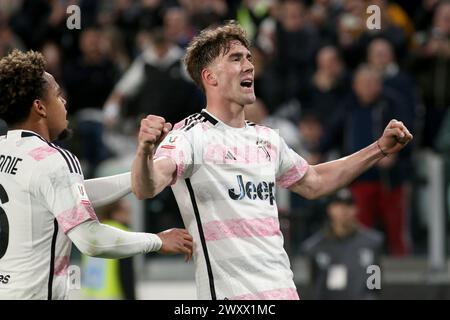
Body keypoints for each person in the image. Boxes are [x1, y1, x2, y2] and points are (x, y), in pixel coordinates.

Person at [131, 22, 412, 300]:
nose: (249, 65)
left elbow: (315, 182)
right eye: (236, 58)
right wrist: (145, 150)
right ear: (210, 77)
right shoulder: (189, 136)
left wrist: (379, 149)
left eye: (249, 58)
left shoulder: (267, 139)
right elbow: (146, 187)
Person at [0, 50, 193, 300]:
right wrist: (157, 240)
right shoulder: (52, 159)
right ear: (40, 107)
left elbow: (65, 194)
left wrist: (141, 174)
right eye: (58, 95)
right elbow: (91, 240)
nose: (64, 102)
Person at [302, 188, 383, 300]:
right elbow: (315, 285)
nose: (344, 210)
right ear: (329, 209)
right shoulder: (314, 246)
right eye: (338, 205)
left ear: (356, 209)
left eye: (348, 205)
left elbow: (375, 285)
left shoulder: (372, 242)